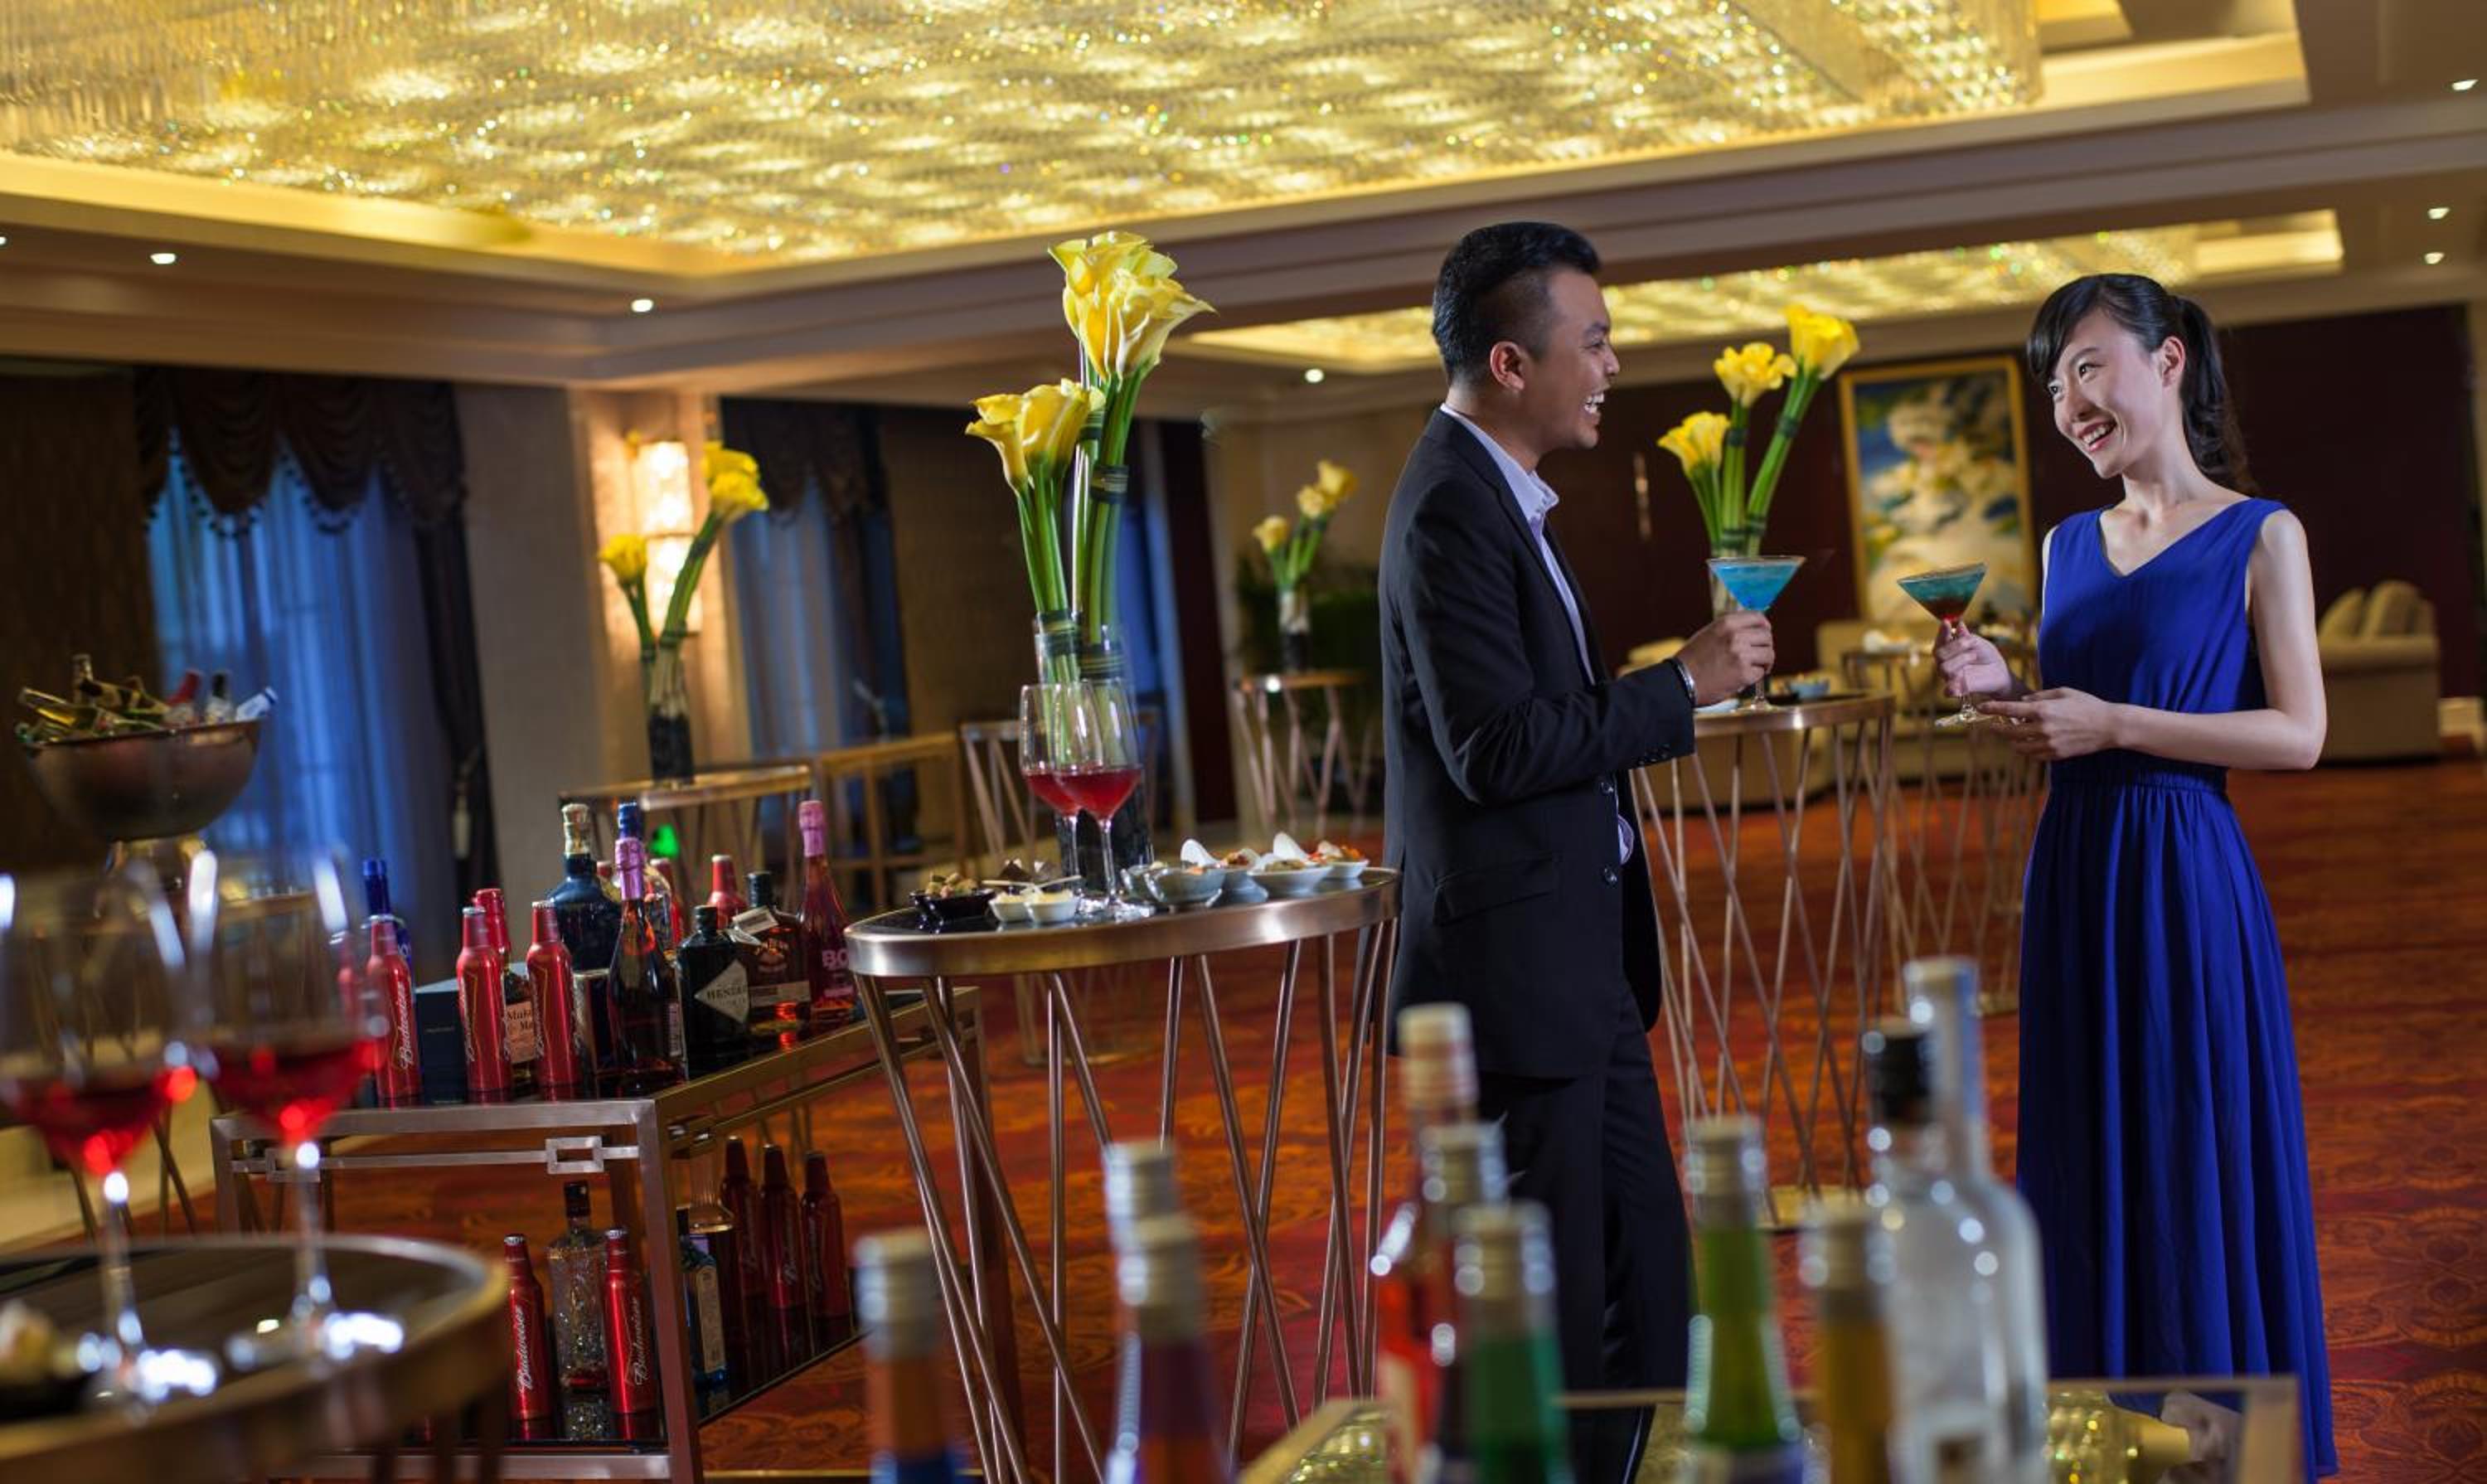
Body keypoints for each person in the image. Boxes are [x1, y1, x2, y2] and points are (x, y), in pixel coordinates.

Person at [1378, 221, 1773, 1484]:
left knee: (1646, 1280)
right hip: (1517, 976)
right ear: (1510, 362)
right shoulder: (1450, 504)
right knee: (1554, 1309)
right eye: (1593, 342)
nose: (1611, 366)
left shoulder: (1501, 496)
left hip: (1579, 960)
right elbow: (1492, 746)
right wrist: (1680, 686)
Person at [1939, 273, 2335, 1478]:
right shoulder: (2067, 544)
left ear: (2169, 362)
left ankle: (2224, 1439)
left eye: (2087, 367)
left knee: (2188, 1141)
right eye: (2053, 383)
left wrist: (2114, 724)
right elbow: (2074, 713)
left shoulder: (2261, 534)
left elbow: (2299, 734)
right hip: (2076, 869)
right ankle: (2110, 1430)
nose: (2068, 403)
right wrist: (2004, 690)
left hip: (2185, 872)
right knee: (2087, 1146)